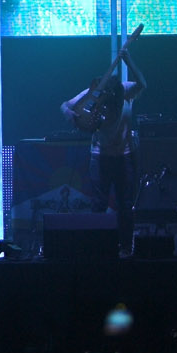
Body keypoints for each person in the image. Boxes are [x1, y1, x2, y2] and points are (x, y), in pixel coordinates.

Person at [60, 44, 148, 256]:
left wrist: (129, 60)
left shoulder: (125, 91)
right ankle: (99, 248)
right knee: (99, 203)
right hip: (100, 156)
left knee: (125, 204)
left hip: (124, 156)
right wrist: (71, 115)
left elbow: (142, 84)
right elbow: (65, 105)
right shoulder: (94, 94)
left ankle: (126, 247)